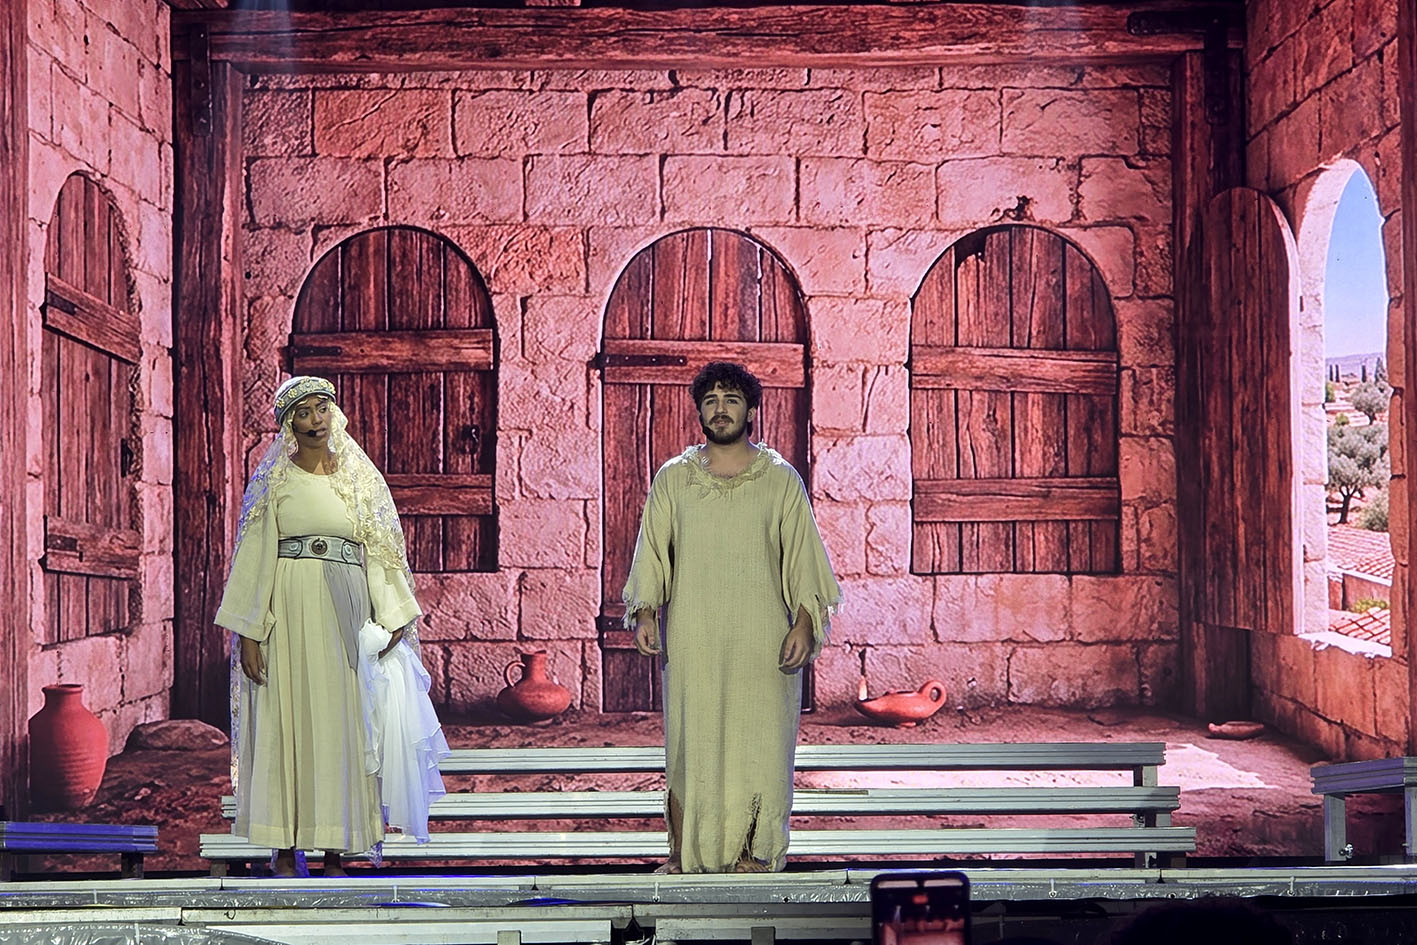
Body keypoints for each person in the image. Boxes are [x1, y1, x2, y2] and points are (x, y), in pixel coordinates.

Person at [216, 376, 447, 877]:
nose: (315, 420)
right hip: (287, 609)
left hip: (345, 610)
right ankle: (283, 847)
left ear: (334, 413)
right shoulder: (274, 481)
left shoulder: (361, 480)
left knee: (343, 723)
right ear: (289, 425)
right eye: (303, 413)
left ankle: (335, 850)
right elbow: (253, 556)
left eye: (321, 408)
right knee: (285, 718)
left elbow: (382, 552)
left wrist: (392, 616)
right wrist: (249, 632)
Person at [623, 361, 842, 873]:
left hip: (762, 645)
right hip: (694, 639)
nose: (720, 410)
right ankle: (687, 855)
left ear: (750, 409)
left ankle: (754, 854)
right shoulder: (674, 479)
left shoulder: (780, 480)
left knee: (760, 745)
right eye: (711, 401)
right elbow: (652, 552)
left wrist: (804, 623)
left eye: (732, 400)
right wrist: (646, 611)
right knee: (692, 744)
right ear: (700, 411)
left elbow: (803, 558)